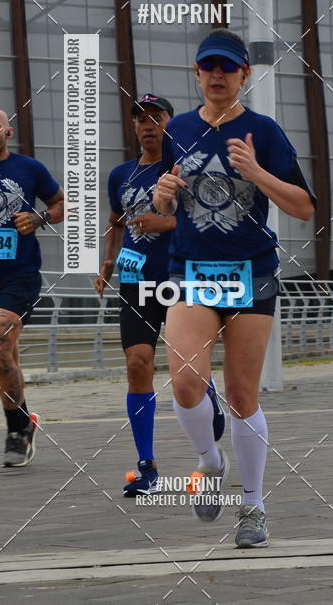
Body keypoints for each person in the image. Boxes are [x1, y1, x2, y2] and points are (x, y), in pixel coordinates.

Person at [153, 28, 315, 548]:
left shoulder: (263, 131)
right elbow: (164, 207)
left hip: (251, 272)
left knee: (243, 393)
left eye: (228, 67)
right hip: (192, 272)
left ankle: (254, 505)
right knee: (184, 382)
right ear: (196, 74)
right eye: (209, 67)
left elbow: (304, 207)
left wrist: (257, 172)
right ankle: (209, 461)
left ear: (245, 75)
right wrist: (161, 195)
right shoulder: (176, 128)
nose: (217, 75)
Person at [95, 94, 224, 496]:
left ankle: (208, 394)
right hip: (135, 280)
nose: (149, 124)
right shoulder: (121, 175)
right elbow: (116, 221)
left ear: (171, 121)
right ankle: (147, 464)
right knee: (138, 361)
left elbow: (208, 215)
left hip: (179, 275)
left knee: (186, 362)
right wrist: (107, 265)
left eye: (157, 117)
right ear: (134, 127)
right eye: (141, 119)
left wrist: (163, 222)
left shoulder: (186, 166)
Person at [0, 107, 64, 466]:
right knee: (4, 354)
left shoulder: (29, 169)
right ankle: (24, 422)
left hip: (18, 275)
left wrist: (40, 217)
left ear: (8, 131)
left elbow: (63, 203)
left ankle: (16, 432)